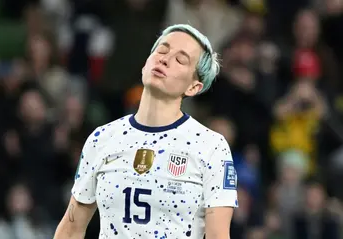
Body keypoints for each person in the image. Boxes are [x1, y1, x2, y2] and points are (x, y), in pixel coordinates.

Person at [54, 24, 238, 239]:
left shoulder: (210, 146)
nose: (165, 59)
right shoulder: (102, 138)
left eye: (180, 60)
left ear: (193, 87)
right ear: (145, 64)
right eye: (162, 50)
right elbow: (71, 228)